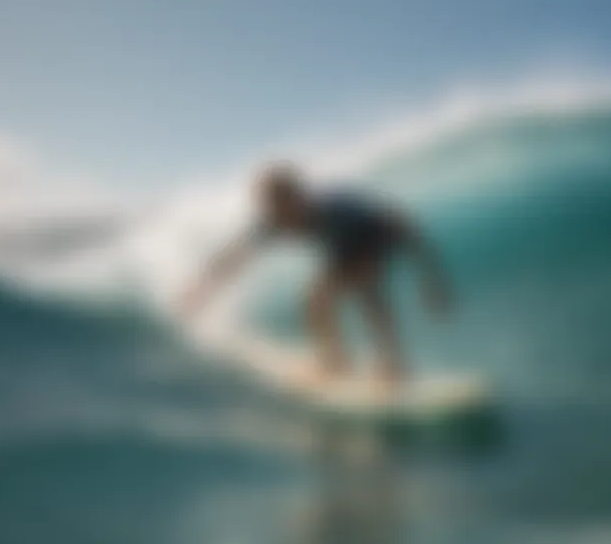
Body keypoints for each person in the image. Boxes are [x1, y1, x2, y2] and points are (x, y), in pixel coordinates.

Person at [182, 163, 453, 386]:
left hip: (378, 233)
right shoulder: (274, 222)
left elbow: (401, 224)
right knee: (314, 300)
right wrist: (201, 290)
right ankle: (336, 360)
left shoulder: (333, 209)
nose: (278, 214)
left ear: (298, 197)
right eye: (269, 207)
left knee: (364, 289)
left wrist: (431, 281)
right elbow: (235, 256)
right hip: (346, 246)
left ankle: (393, 364)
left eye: (282, 204)